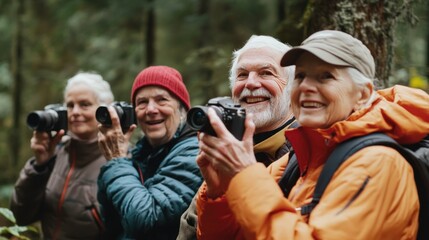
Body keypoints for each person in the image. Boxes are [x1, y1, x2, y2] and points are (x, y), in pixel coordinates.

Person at [195, 30, 429, 239]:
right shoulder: (298, 160)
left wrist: (243, 173)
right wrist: (220, 191)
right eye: (301, 76)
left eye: (325, 76)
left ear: (362, 94)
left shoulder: (378, 163)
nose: (306, 86)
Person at [177, 35, 297, 240]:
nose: (250, 83)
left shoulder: (308, 154)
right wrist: (215, 193)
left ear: (293, 89)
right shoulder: (224, 154)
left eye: (266, 73)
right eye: (242, 75)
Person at [97, 65, 203, 239]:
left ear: (182, 108)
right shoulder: (140, 153)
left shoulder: (194, 152)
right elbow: (111, 220)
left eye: (162, 100)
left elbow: (144, 220)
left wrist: (117, 161)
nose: (151, 110)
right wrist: (117, 161)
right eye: (142, 102)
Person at [10, 72, 114, 239]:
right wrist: (40, 165)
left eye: (85, 104)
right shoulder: (57, 153)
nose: (75, 112)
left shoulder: (119, 160)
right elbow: (21, 215)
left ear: (105, 110)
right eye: (70, 105)